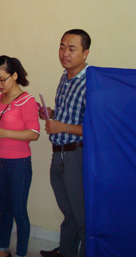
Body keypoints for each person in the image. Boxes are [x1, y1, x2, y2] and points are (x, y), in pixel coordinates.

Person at [39, 29, 91, 257]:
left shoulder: (92, 82)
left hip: (76, 155)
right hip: (58, 153)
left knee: (82, 218)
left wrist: (63, 127)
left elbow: (97, 129)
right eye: (62, 47)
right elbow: (69, 114)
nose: (64, 53)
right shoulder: (65, 77)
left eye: (72, 48)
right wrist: (51, 113)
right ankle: (66, 252)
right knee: (68, 212)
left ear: (85, 52)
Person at [0, 56, 40, 257]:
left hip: (18, 163)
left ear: (15, 75)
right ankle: (3, 249)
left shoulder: (27, 101)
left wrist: (4, 133)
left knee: (19, 210)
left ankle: (20, 253)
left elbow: (34, 134)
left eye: (3, 79)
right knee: (4, 209)